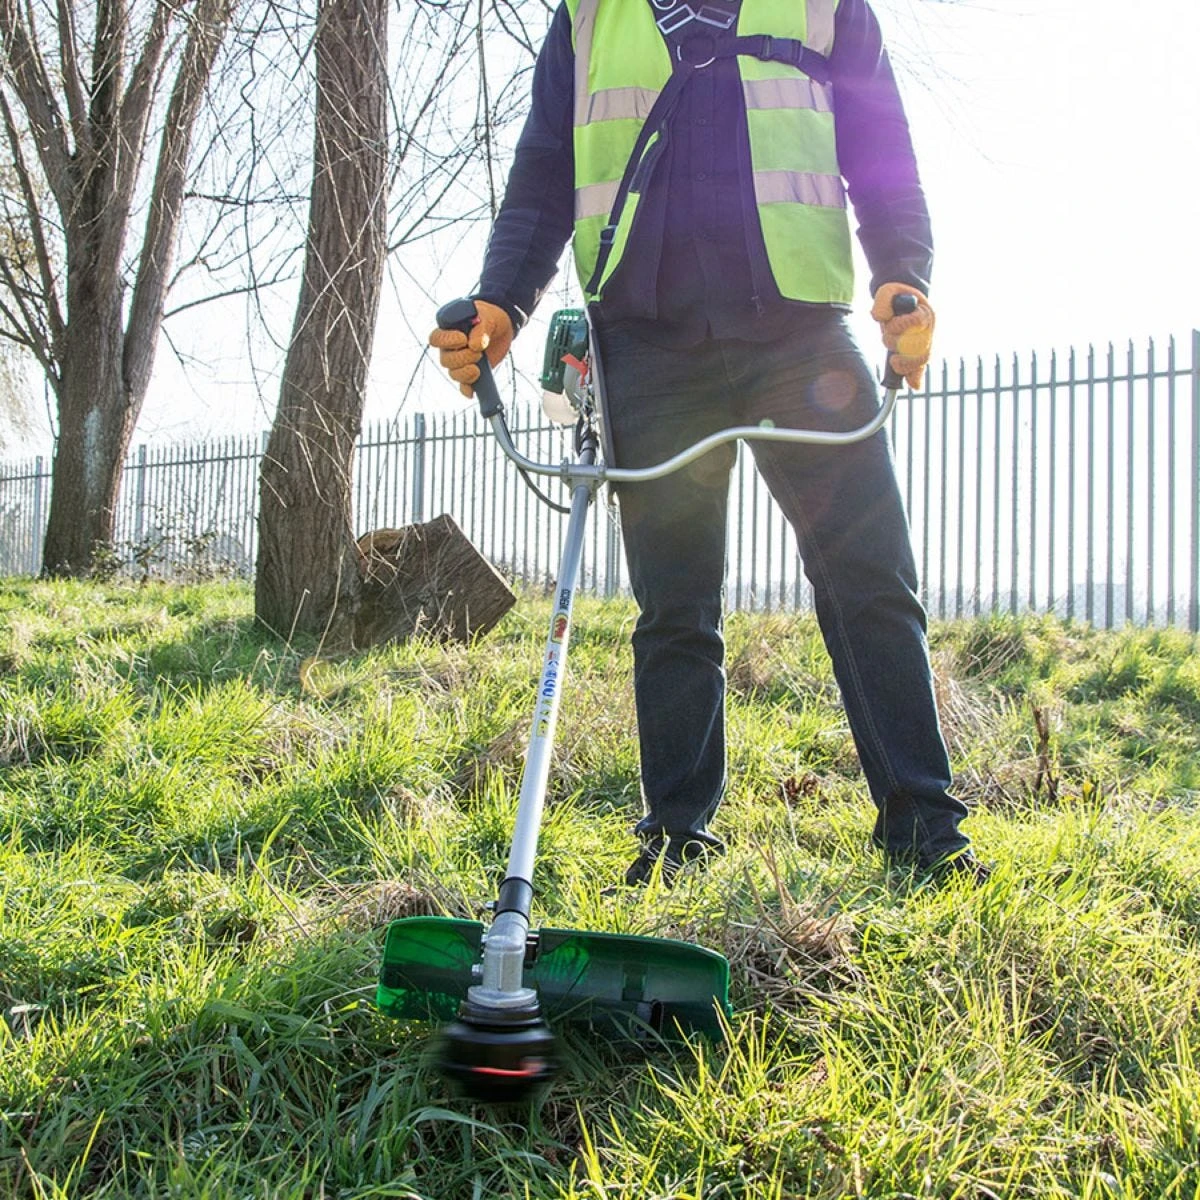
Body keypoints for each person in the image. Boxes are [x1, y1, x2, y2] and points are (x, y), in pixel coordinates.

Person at [430, 0, 988, 887]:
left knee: (869, 578)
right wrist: (503, 298)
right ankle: (678, 838)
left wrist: (902, 274)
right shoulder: (589, 16)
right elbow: (542, 175)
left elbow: (882, 151)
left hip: (799, 336)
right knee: (675, 606)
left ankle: (925, 831)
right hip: (646, 340)